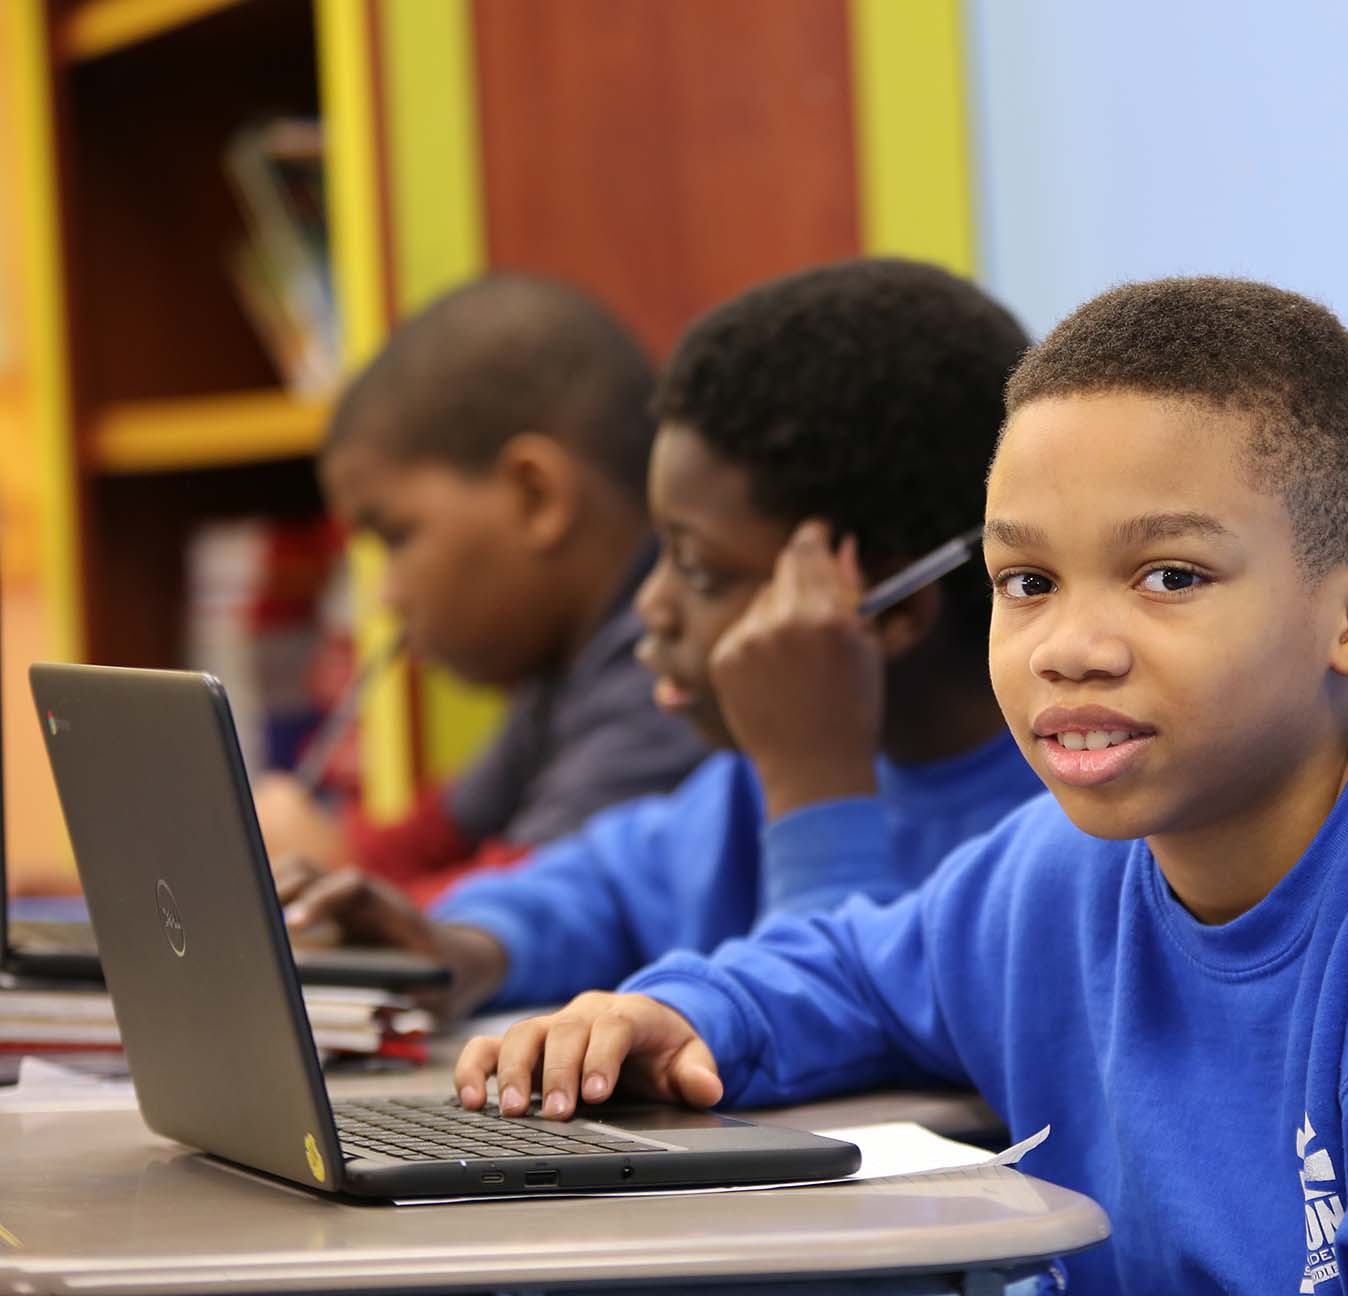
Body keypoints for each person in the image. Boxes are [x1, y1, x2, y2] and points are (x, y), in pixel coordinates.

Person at [456, 277, 1348, 1296]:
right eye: (1027, 581)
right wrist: (674, 1013)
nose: (1068, 646)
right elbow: (856, 967)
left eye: (1169, 576)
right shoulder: (1054, 876)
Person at [283, 258, 1046, 1024]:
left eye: (703, 571)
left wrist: (817, 789)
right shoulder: (742, 790)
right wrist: (461, 946)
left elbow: (853, 1011)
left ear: (891, 608)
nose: (653, 604)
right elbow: (602, 888)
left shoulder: (1060, 825)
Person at [253, 273, 707, 895]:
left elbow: (536, 910)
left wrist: (327, 880)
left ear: (535, 496)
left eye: (396, 537)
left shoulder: (665, 675)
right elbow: (433, 836)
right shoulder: (565, 675)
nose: (387, 594)